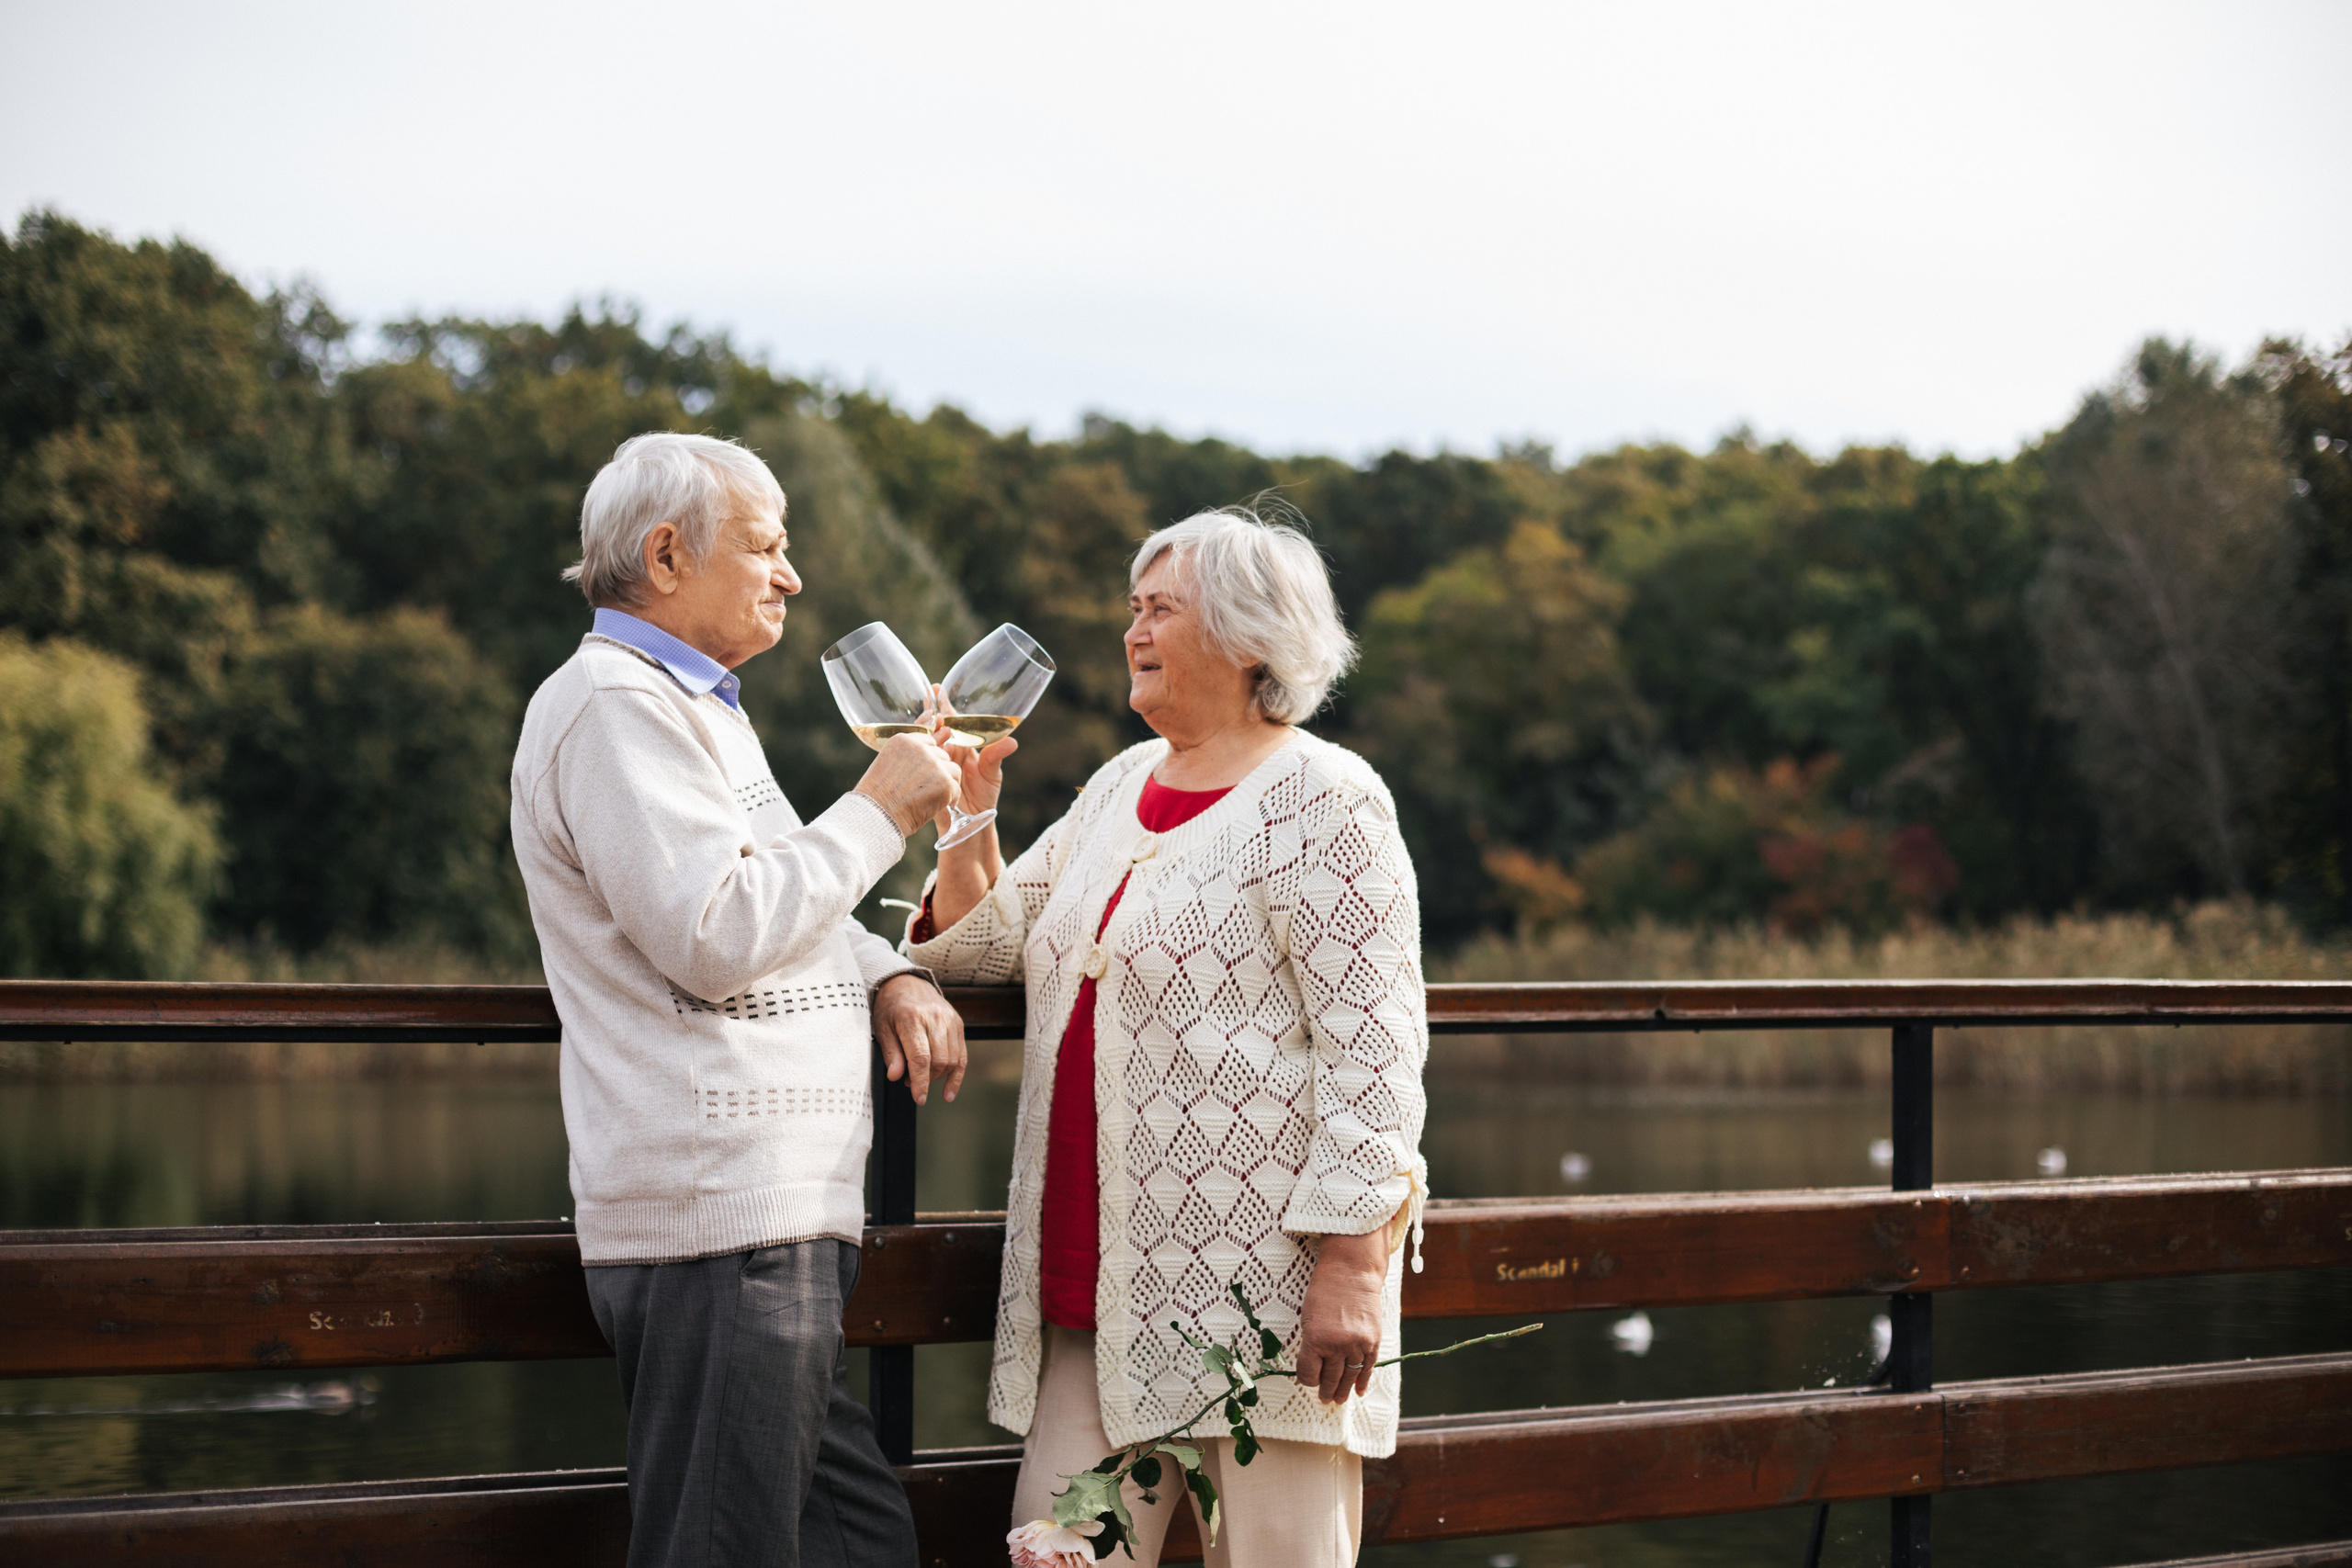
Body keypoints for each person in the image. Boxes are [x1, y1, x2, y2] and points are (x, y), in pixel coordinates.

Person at [903, 508, 1429, 1568]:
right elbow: (982, 952)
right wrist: (968, 817)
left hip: (1266, 1306)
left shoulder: (1325, 800)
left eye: (1159, 609)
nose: (1132, 630)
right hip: (1091, 1297)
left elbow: (1373, 1052)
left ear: (1246, 635)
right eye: (1130, 609)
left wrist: (1352, 1266)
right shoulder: (1113, 789)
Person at [510, 432, 967, 1568]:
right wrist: (879, 811)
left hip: (768, 1229)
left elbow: (767, 898)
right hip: (719, 1229)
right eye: (766, 546)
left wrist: (886, 968)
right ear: (666, 555)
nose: (791, 575)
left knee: (861, 1549)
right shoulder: (613, 706)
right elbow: (713, 935)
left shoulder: (693, 703)